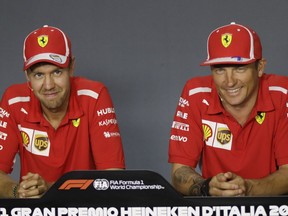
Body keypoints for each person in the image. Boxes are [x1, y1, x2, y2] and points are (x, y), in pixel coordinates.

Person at [0, 25, 125, 198]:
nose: (49, 85)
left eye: (57, 72)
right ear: (27, 75)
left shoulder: (94, 96)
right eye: (38, 75)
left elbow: (114, 179)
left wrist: (51, 189)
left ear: (71, 67)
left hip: (86, 209)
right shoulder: (14, 100)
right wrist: (17, 192)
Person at [168, 22, 288, 196]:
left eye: (239, 68)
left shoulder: (283, 93)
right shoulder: (196, 93)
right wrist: (207, 187)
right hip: (213, 209)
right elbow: (179, 172)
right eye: (220, 70)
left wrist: (248, 189)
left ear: (260, 67)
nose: (229, 81)